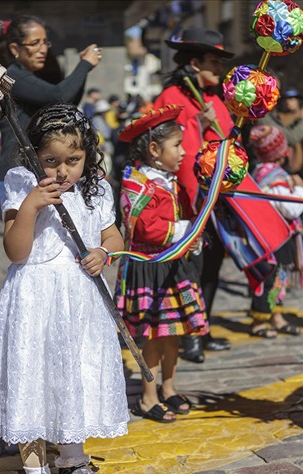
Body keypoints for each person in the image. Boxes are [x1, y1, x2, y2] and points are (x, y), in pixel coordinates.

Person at [0, 103, 129, 474]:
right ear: (33, 156)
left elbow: (112, 235)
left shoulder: (96, 187)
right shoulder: (21, 181)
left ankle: (72, 461)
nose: (63, 171)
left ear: (88, 155)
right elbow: (16, 250)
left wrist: (103, 252)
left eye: (73, 161)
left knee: (74, 376)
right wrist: (30, 206)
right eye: (51, 161)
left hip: (79, 300)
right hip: (35, 297)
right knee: (35, 379)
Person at [115, 105, 209, 423]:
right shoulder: (137, 185)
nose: (183, 152)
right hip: (149, 267)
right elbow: (146, 227)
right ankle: (148, 396)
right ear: (155, 150)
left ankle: (168, 387)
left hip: (173, 265)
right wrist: (185, 230)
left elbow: (184, 215)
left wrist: (193, 238)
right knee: (154, 334)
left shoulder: (169, 182)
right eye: (177, 145)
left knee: (173, 332)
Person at [153, 27, 235, 360]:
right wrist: (198, 125)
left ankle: (203, 328)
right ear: (194, 62)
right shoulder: (170, 98)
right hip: (187, 203)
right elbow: (160, 146)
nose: (219, 69)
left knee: (213, 265)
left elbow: (229, 143)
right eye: (214, 62)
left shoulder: (217, 98)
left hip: (218, 199)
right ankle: (189, 335)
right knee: (192, 268)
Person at [0, 15, 102, 212]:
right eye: (35, 43)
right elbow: (59, 96)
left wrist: (83, 70)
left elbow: (65, 104)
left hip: (33, 174)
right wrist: (84, 65)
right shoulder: (11, 76)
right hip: (18, 177)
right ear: (15, 49)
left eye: (45, 42)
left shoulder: (25, 76)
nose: (43, 49)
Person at [248, 125, 303, 337]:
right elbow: (291, 208)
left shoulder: (260, 171)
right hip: (276, 239)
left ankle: (275, 315)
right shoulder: (274, 177)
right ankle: (259, 320)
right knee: (271, 279)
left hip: (271, 237)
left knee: (279, 278)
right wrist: (298, 187)